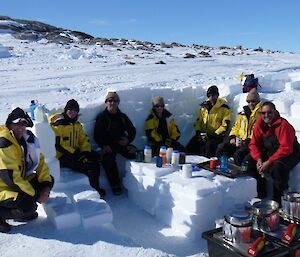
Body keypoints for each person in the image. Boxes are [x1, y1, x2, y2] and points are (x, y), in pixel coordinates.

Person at [0, 108, 54, 233]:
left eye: (23, 123)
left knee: (48, 180)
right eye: (16, 124)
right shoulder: (4, 143)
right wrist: (35, 194)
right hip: (4, 187)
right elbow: (12, 179)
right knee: (29, 205)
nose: (20, 127)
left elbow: (41, 163)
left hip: (17, 182)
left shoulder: (27, 140)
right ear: (9, 125)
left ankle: (21, 211)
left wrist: (45, 187)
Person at [49, 99, 105, 197]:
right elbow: (59, 145)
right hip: (62, 156)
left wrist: (86, 151)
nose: (72, 113)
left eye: (75, 111)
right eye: (70, 110)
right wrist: (77, 154)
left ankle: (96, 186)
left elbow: (83, 139)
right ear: (66, 110)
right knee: (88, 165)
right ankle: (92, 190)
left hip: (74, 152)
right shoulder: (58, 125)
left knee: (95, 158)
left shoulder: (76, 124)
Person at [248, 101, 300, 203]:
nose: (266, 115)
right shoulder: (259, 124)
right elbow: (253, 144)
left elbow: (286, 148)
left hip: (290, 153)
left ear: (275, 112)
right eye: (263, 113)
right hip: (272, 150)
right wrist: (258, 158)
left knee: (278, 167)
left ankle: (278, 199)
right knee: (249, 161)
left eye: (269, 112)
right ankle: (261, 194)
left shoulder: (284, 125)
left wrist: (268, 162)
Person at [94, 92, 136, 195]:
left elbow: (132, 131)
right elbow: (97, 135)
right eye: (110, 101)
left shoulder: (122, 117)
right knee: (107, 159)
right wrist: (104, 145)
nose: (112, 103)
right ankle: (115, 185)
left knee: (135, 153)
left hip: (120, 143)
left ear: (118, 103)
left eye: (114, 101)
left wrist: (128, 140)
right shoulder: (102, 117)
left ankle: (139, 181)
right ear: (106, 103)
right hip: (108, 145)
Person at [216, 89, 262, 165]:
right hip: (239, 142)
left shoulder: (261, 115)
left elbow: (260, 132)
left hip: (251, 144)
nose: (251, 103)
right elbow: (236, 127)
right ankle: (217, 165)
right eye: (248, 101)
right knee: (221, 147)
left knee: (238, 154)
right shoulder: (242, 114)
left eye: (253, 101)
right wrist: (232, 137)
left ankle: (238, 172)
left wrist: (247, 141)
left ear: (258, 102)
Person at [186, 85, 231, 157]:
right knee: (191, 144)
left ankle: (205, 164)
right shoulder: (204, 108)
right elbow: (199, 121)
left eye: (213, 95)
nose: (211, 97)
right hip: (204, 135)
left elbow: (225, 125)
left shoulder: (224, 109)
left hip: (217, 136)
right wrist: (198, 132)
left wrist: (215, 134)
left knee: (208, 146)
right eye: (209, 95)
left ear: (217, 95)